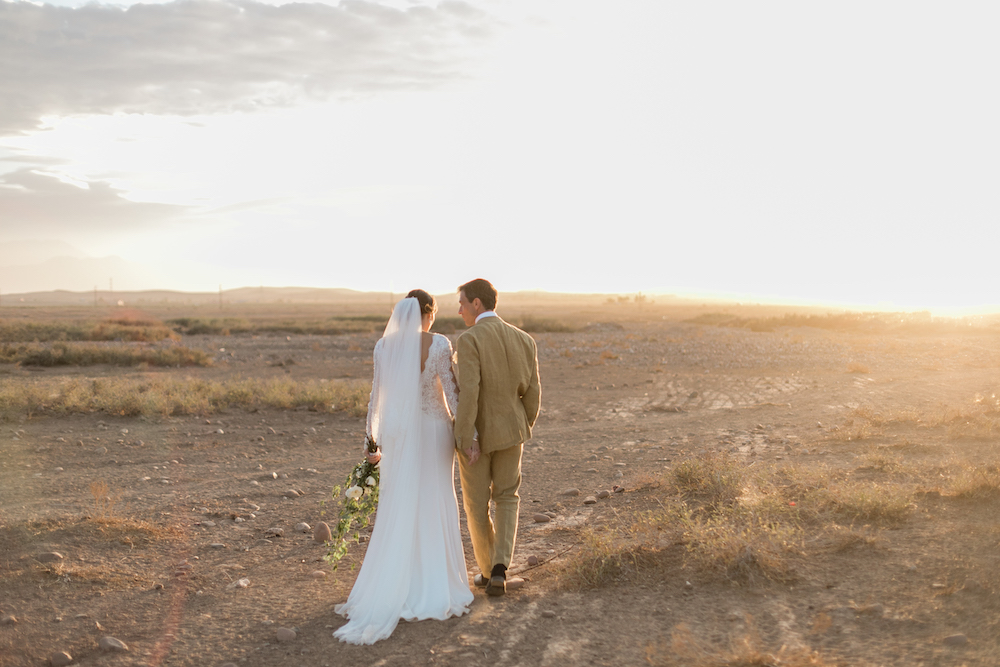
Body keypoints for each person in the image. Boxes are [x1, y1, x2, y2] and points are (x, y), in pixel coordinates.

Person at [333, 290, 473, 644]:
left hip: (398, 436)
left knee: (398, 504)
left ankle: (393, 583)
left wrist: (371, 440)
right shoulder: (439, 344)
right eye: (435, 313)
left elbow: (376, 395)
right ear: (427, 313)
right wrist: (468, 433)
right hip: (433, 430)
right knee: (436, 497)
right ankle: (433, 583)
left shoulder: (384, 346)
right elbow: (453, 394)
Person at [454, 279, 541, 596]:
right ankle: (501, 569)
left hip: (477, 436)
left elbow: (470, 393)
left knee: (476, 505)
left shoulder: (470, 339)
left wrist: (467, 436)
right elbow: (533, 395)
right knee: (507, 497)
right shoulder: (524, 339)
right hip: (513, 431)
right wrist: (520, 425)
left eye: (462, 302)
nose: (459, 308)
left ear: (477, 304)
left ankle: (489, 570)